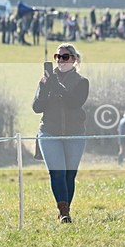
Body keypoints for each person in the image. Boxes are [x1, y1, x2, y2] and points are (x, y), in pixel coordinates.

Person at [32, 43, 89, 223]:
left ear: (74, 59)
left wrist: (58, 88)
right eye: (57, 57)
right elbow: (36, 107)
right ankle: (63, 212)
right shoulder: (46, 80)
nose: (60, 60)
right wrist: (44, 87)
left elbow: (74, 103)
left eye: (64, 57)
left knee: (69, 174)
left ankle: (66, 209)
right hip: (49, 132)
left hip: (75, 134)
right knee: (57, 173)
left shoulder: (82, 82)